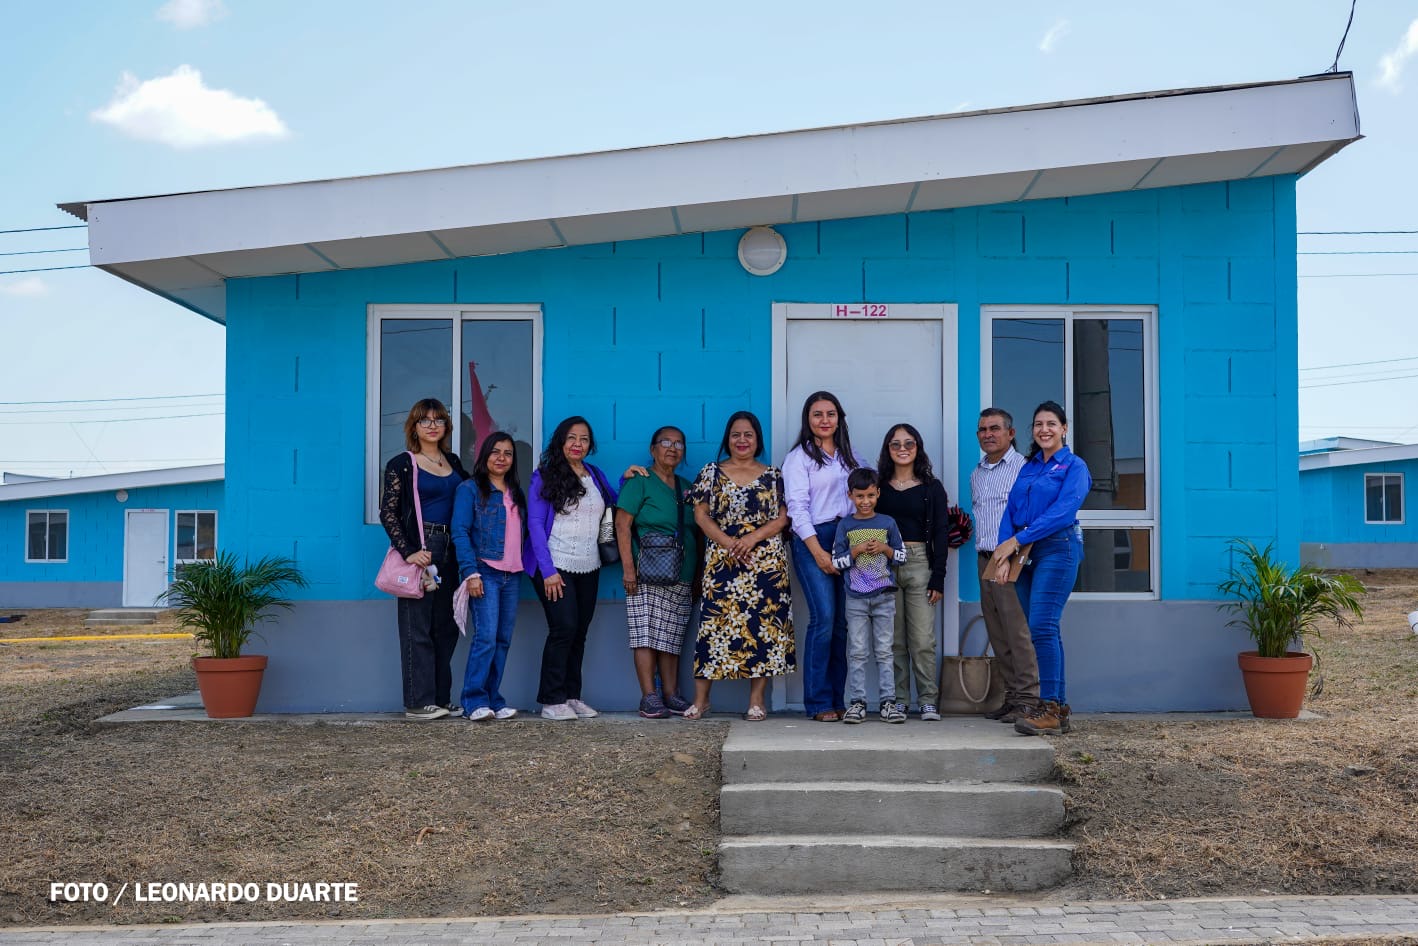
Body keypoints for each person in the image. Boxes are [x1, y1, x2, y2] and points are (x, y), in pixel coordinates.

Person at [990, 401, 1092, 736]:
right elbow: (1010, 510)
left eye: (1051, 423)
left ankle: (1048, 707)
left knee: (1042, 626)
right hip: (1023, 552)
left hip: (1058, 549)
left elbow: (1063, 513)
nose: (1044, 429)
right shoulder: (1029, 466)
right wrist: (1004, 554)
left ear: (1064, 428)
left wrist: (1017, 542)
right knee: (1043, 630)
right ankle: (1057, 708)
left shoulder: (1074, 467)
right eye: (1038, 424)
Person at [686, 411, 795, 721]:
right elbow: (700, 515)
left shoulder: (774, 475)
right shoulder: (711, 472)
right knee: (713, 626)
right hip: (723, 561)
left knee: (764, 628)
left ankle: (757, 700)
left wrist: (751, 539)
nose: (742, 440)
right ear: (727, 439)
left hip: (765, 562)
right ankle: (701, 699)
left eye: (748, 434)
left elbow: (784, 517)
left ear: (757, 439)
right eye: (736, 434)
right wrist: (728, 541)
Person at [379, 398, 470, 720]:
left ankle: (441, 700)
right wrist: (409, 551)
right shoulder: (402, 464)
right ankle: (418, 702)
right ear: (414, 427)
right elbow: (387, 512)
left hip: (453, 548)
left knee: (445, 628)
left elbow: (474, 495)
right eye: (425, 420)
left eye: (439, 420)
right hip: (422, 548)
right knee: (416, 627)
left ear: (447, 427)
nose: (432, 425)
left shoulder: (455, 463)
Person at [526, 416, 619, 721]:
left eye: (584, 439)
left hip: (588, 565)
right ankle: (551, 700)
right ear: (560, 442)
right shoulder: (544, 476)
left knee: (579, 631)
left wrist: (629, 479)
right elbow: (536, 525)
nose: (577, 444)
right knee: (563, 629)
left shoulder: (594, 474)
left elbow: (612, 505)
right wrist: (548, 571)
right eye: (571, 438)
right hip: (555, 565)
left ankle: (571, 695)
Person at [782, 391, 864, 722]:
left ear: (839, 418)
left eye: (831, 414)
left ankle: (837, 698)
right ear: (808, 420)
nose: (825, 420)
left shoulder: (851, 456)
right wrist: (817, 551)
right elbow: (797, 509)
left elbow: (868, 490)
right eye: (817, 414)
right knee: (824, 618)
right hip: (813, 537)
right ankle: (817, 702)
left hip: (849, 537)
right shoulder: (799, 458)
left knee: (844, 624)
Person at [615, 426, 700, 719]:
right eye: (665, 442)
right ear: (653, 449)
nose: (672, 448)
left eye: (679, 443)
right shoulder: (639, 482)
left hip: (682, 574)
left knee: (672, 637)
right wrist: (628, 570)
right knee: (645, 635)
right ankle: (648, 696)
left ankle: (671, 694)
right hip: (645, 573)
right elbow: (622, 525)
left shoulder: (687, 487)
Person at [874, 423, 952, 721]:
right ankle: (900, 700)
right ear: (888, 449)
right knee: (893, 640)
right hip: (884, 564)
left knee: (922, 639)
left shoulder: (932, 488)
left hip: (920, 561)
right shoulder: (879, 487)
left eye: (909, 443)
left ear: (918, 447)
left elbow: (942, 534)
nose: (903, 449)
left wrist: (938, 576)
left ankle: (928, 699)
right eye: (896, 444)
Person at [971, 408, 1040, 725]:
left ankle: (1028, 700)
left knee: (1017, 632)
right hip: (984, 558)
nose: (988, 434)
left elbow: (1030, 518)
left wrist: (1012, 556)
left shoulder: (1024, 470)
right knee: (998, 633)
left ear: (1011, 434)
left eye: (995, 428)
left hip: (1011, 560)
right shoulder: (978, 473)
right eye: (982, 429)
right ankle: (1012, 698)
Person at [451, 432, 526, 722]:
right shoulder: (470, 489)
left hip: (513, 574)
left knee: (503, 639)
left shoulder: (515, 492)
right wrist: (470, 573)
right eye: (495, 452)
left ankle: (495, 699)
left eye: (508, 453)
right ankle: (474, 701)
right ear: (484, 456)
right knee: (486, 638)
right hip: (485, 571)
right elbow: (460, 531)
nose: (501, 458)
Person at [832, 468, 909, 724]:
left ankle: (888, 702)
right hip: (855, 598)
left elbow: (902, 556)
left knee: (885, 651)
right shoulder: (845, 525)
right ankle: (857, 703)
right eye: (859, 496)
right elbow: (836, 562)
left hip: (884, 597)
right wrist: (855, 551)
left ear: (878, 493)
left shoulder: (887, 523)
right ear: (850, 496)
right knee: (856, 651)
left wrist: (886, 549)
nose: (865, 502)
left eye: (870, 496)